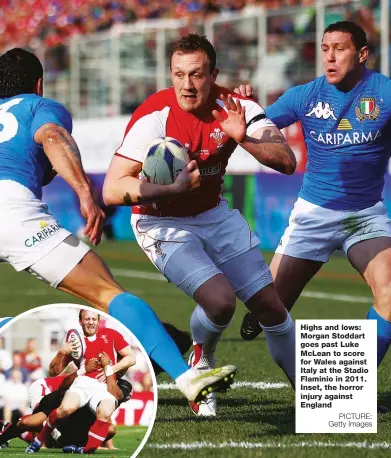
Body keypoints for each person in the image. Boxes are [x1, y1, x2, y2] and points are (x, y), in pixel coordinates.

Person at [0, 47, 236, 405]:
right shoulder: (38, 106)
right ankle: (186, 377)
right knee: (109, 293)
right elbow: (52, 137)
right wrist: (83, 192)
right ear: (39, 83)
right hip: (13, 213)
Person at [103, 33, 297, 416]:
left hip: (213, 214)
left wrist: (244, 138)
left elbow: (285, 160)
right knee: (221, 302)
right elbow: (112, 188)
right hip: (162, 223)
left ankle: (314, 397)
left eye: (196, 75)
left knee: (271, 308)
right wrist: (168, 187)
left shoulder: (236, 107)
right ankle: (201, 365)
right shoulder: (155, 116)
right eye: (178, 74)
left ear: (214, 75)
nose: (186, 85)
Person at [237, 21, 391, 374]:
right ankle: (261, 311)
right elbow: (264, 127)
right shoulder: (305, 95)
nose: (330, 56)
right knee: (272, 310)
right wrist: (248, 113)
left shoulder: (388, 94)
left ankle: (356, 387)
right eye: (325, 48)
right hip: (313, 215)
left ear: (361, 54)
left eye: (339, 49)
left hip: (366, 215)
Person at [26, 309, 134, 453]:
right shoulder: (76, 342)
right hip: (82, 383)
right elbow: (53, 372)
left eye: (94, 319)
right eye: (87, 319)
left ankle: (85, 450)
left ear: (98, 321)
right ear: (81, 321)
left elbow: (131, 358)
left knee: (106, 412)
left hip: (104, 387)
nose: (91, 322)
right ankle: (38, 441)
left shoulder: (112, 334)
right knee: (65, 409)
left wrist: (111, 368)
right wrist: (61, 352)